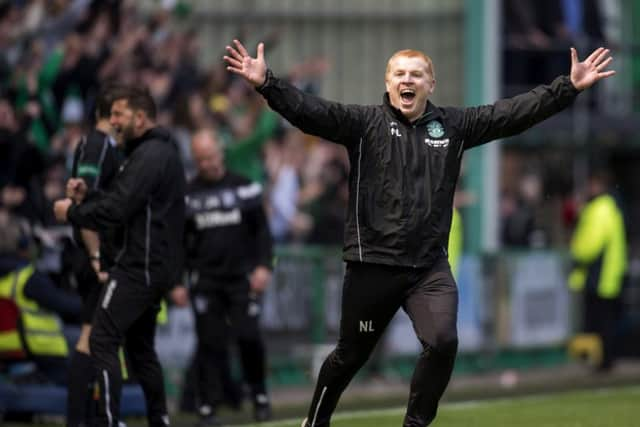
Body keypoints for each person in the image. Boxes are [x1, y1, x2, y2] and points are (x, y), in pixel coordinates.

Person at [223, 39, 615, 427]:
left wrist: (568, 87)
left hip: (428, 269)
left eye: (416, 74)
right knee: (350, 356)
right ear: (388, 82)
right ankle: (316, 421)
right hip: (372, 266)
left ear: (431, 84)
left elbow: (511, 114)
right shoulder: (363, 124)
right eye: (399, 74)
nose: (406, 80)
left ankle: (415, 424)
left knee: (443, 341)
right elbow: (310, 112)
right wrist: (267, 83)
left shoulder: (454, 126)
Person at [53, 85, 186, 427]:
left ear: (140, 118)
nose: (111, 121)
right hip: (152, 268)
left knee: (101, 339)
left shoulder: (149, 155)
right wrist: (89, 200)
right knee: (141, 351)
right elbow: (122, 201)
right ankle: (160, 420)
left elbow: (118, 208)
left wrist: (72, 212)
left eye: (118, 114)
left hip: (137, 268)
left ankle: (109, 422)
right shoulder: (154, 153)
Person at [171, 127, 274, 425]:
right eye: (201, 159)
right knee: (209, 344)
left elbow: (263, 235)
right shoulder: (187, 197)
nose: (208, 164)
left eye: (211, 156)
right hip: (206, 281)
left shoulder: (246, 188)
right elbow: (178, 245)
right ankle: (208, 406)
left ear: (222, 153)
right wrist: (177, 281)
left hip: (243, 279)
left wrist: (264, 266)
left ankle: (259, 395)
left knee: (249, 337)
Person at [65, 85, 123, 427]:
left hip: (97, 254)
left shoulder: (106, 147)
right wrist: (98, 257)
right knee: (93, 338)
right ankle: (84, 418)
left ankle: (90, 416)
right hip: (94, 257)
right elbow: (83, 203)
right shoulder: (97, 146)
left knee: (99, 338)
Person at [0, 212, 81, 386]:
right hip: (42, 353)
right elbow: (66, 306)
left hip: (7, 350)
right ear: (22, 244)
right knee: (84, 342)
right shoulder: (28, 279)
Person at [568, 168, 627, 371]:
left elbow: (590, 245)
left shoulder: (600, 208)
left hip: (599, 276)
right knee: (604, 321)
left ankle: (601, 362)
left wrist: (576, 254)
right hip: (608, 275)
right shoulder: (610, 207)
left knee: (598, 322)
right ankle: (602, 360)